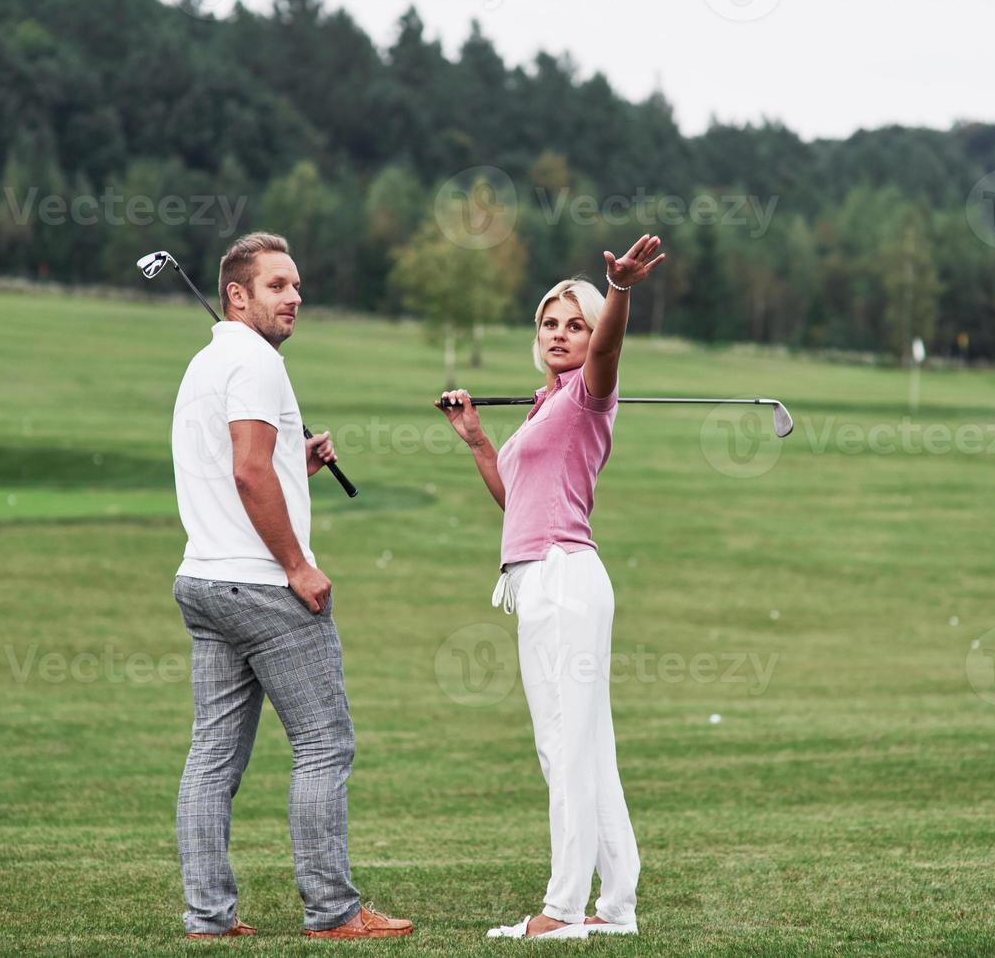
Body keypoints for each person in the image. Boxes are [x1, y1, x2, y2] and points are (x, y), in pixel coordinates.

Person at [169, 231, 412, 940]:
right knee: (324, 744)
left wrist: (292, 467)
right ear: (237, 296)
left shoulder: (206, 362)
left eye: (297, 285)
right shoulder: (256, 364)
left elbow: (240, 470)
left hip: (204, 581)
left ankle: (207, 919)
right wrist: (298, 566)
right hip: (264, 590)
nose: (295, 296)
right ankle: (333, 912)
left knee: (212, 755)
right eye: (278, 285)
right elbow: (246, 472)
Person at [436, 234, 667, 940]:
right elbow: (520, 504)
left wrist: (619, 292)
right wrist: (477, 441)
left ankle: (564, 910)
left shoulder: (589, 396)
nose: (562, 334)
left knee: (565, 746)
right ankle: (616, 907)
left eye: (576, 323)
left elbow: (607, 355)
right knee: (583, 747)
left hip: (565, 580)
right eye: (550, 323)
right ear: (536, 335)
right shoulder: (547, 403)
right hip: (543, 578)